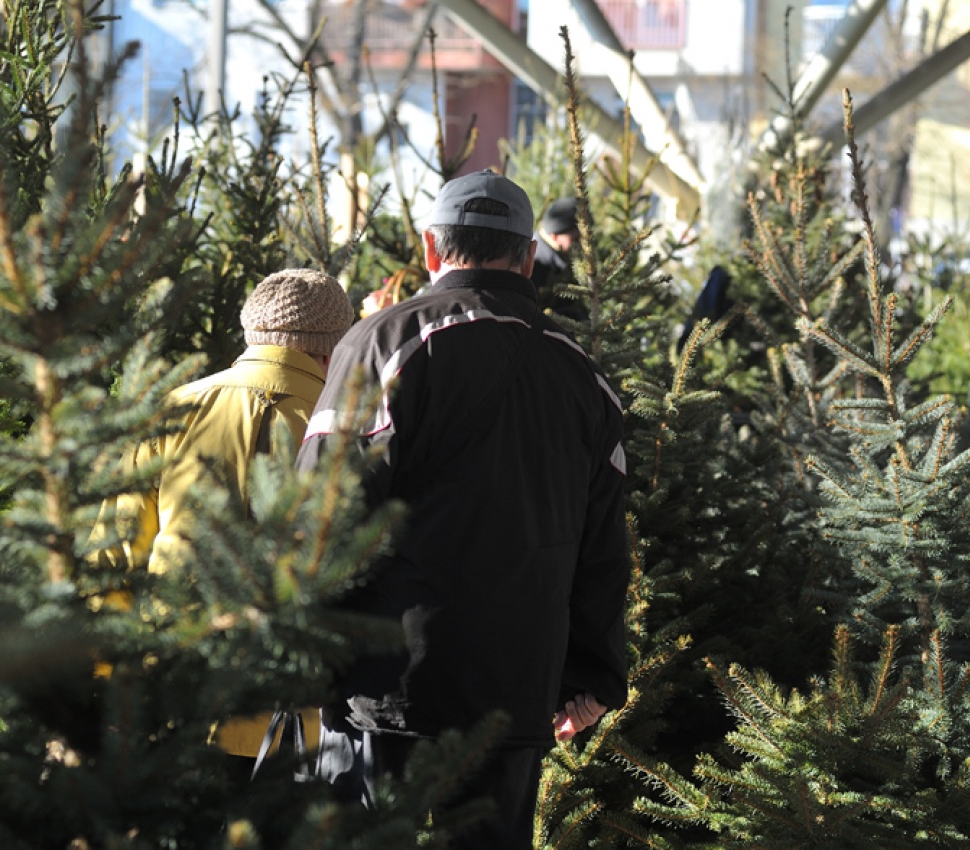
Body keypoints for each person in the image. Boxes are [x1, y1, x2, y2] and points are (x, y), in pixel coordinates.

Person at [296, 170, 630, 848]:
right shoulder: (581, 375)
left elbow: (321, 510)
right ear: (528, 256)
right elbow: (602, 544)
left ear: (430, 246)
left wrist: (298, 649)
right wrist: (596, 676)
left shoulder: (381, 342)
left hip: (381, 681)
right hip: (514, 688)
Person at [93, 267, 355, 771]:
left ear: (251, 333)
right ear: (332, 350)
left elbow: (114, 557)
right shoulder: (349, 427)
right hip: (300, 723)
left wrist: (104, 688)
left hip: (172, 701)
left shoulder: (172, 409)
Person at [530, 196, 585, 322]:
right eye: (575, 239)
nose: (580, 244)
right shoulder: (536, 263)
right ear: (554, 236)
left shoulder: (559, 256)